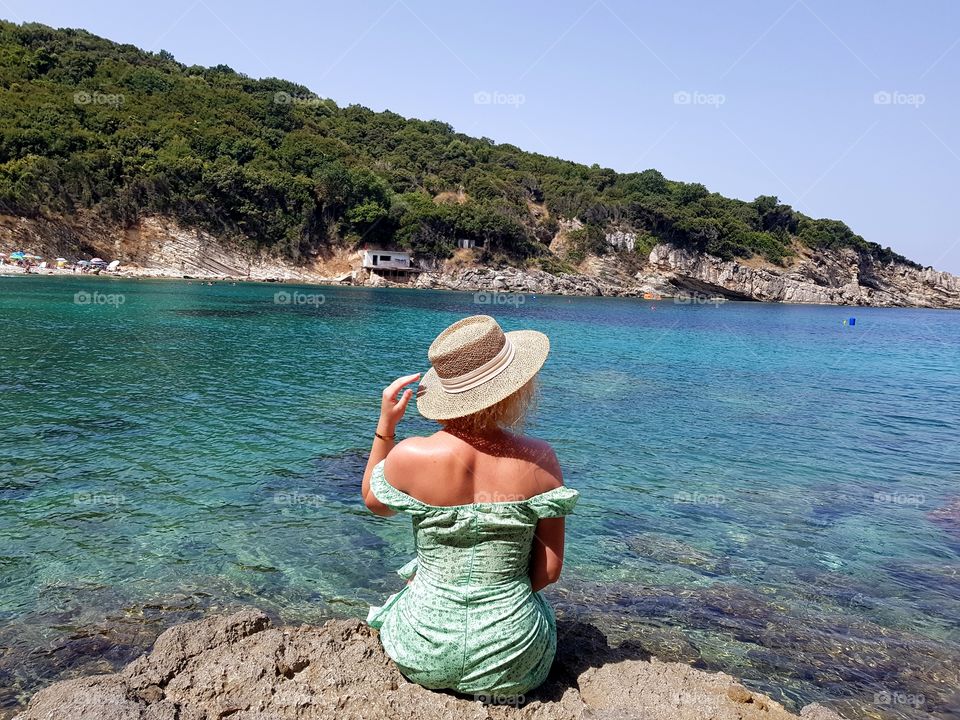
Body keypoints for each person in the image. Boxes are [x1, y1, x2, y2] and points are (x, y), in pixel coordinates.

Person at [361, 315, 579, 700]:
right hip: (513, 658)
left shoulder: (411, 454)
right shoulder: (540, 459)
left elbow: (375, 503)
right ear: (512, 388)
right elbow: (548, 572)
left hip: (424, 649)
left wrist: (385, 427)